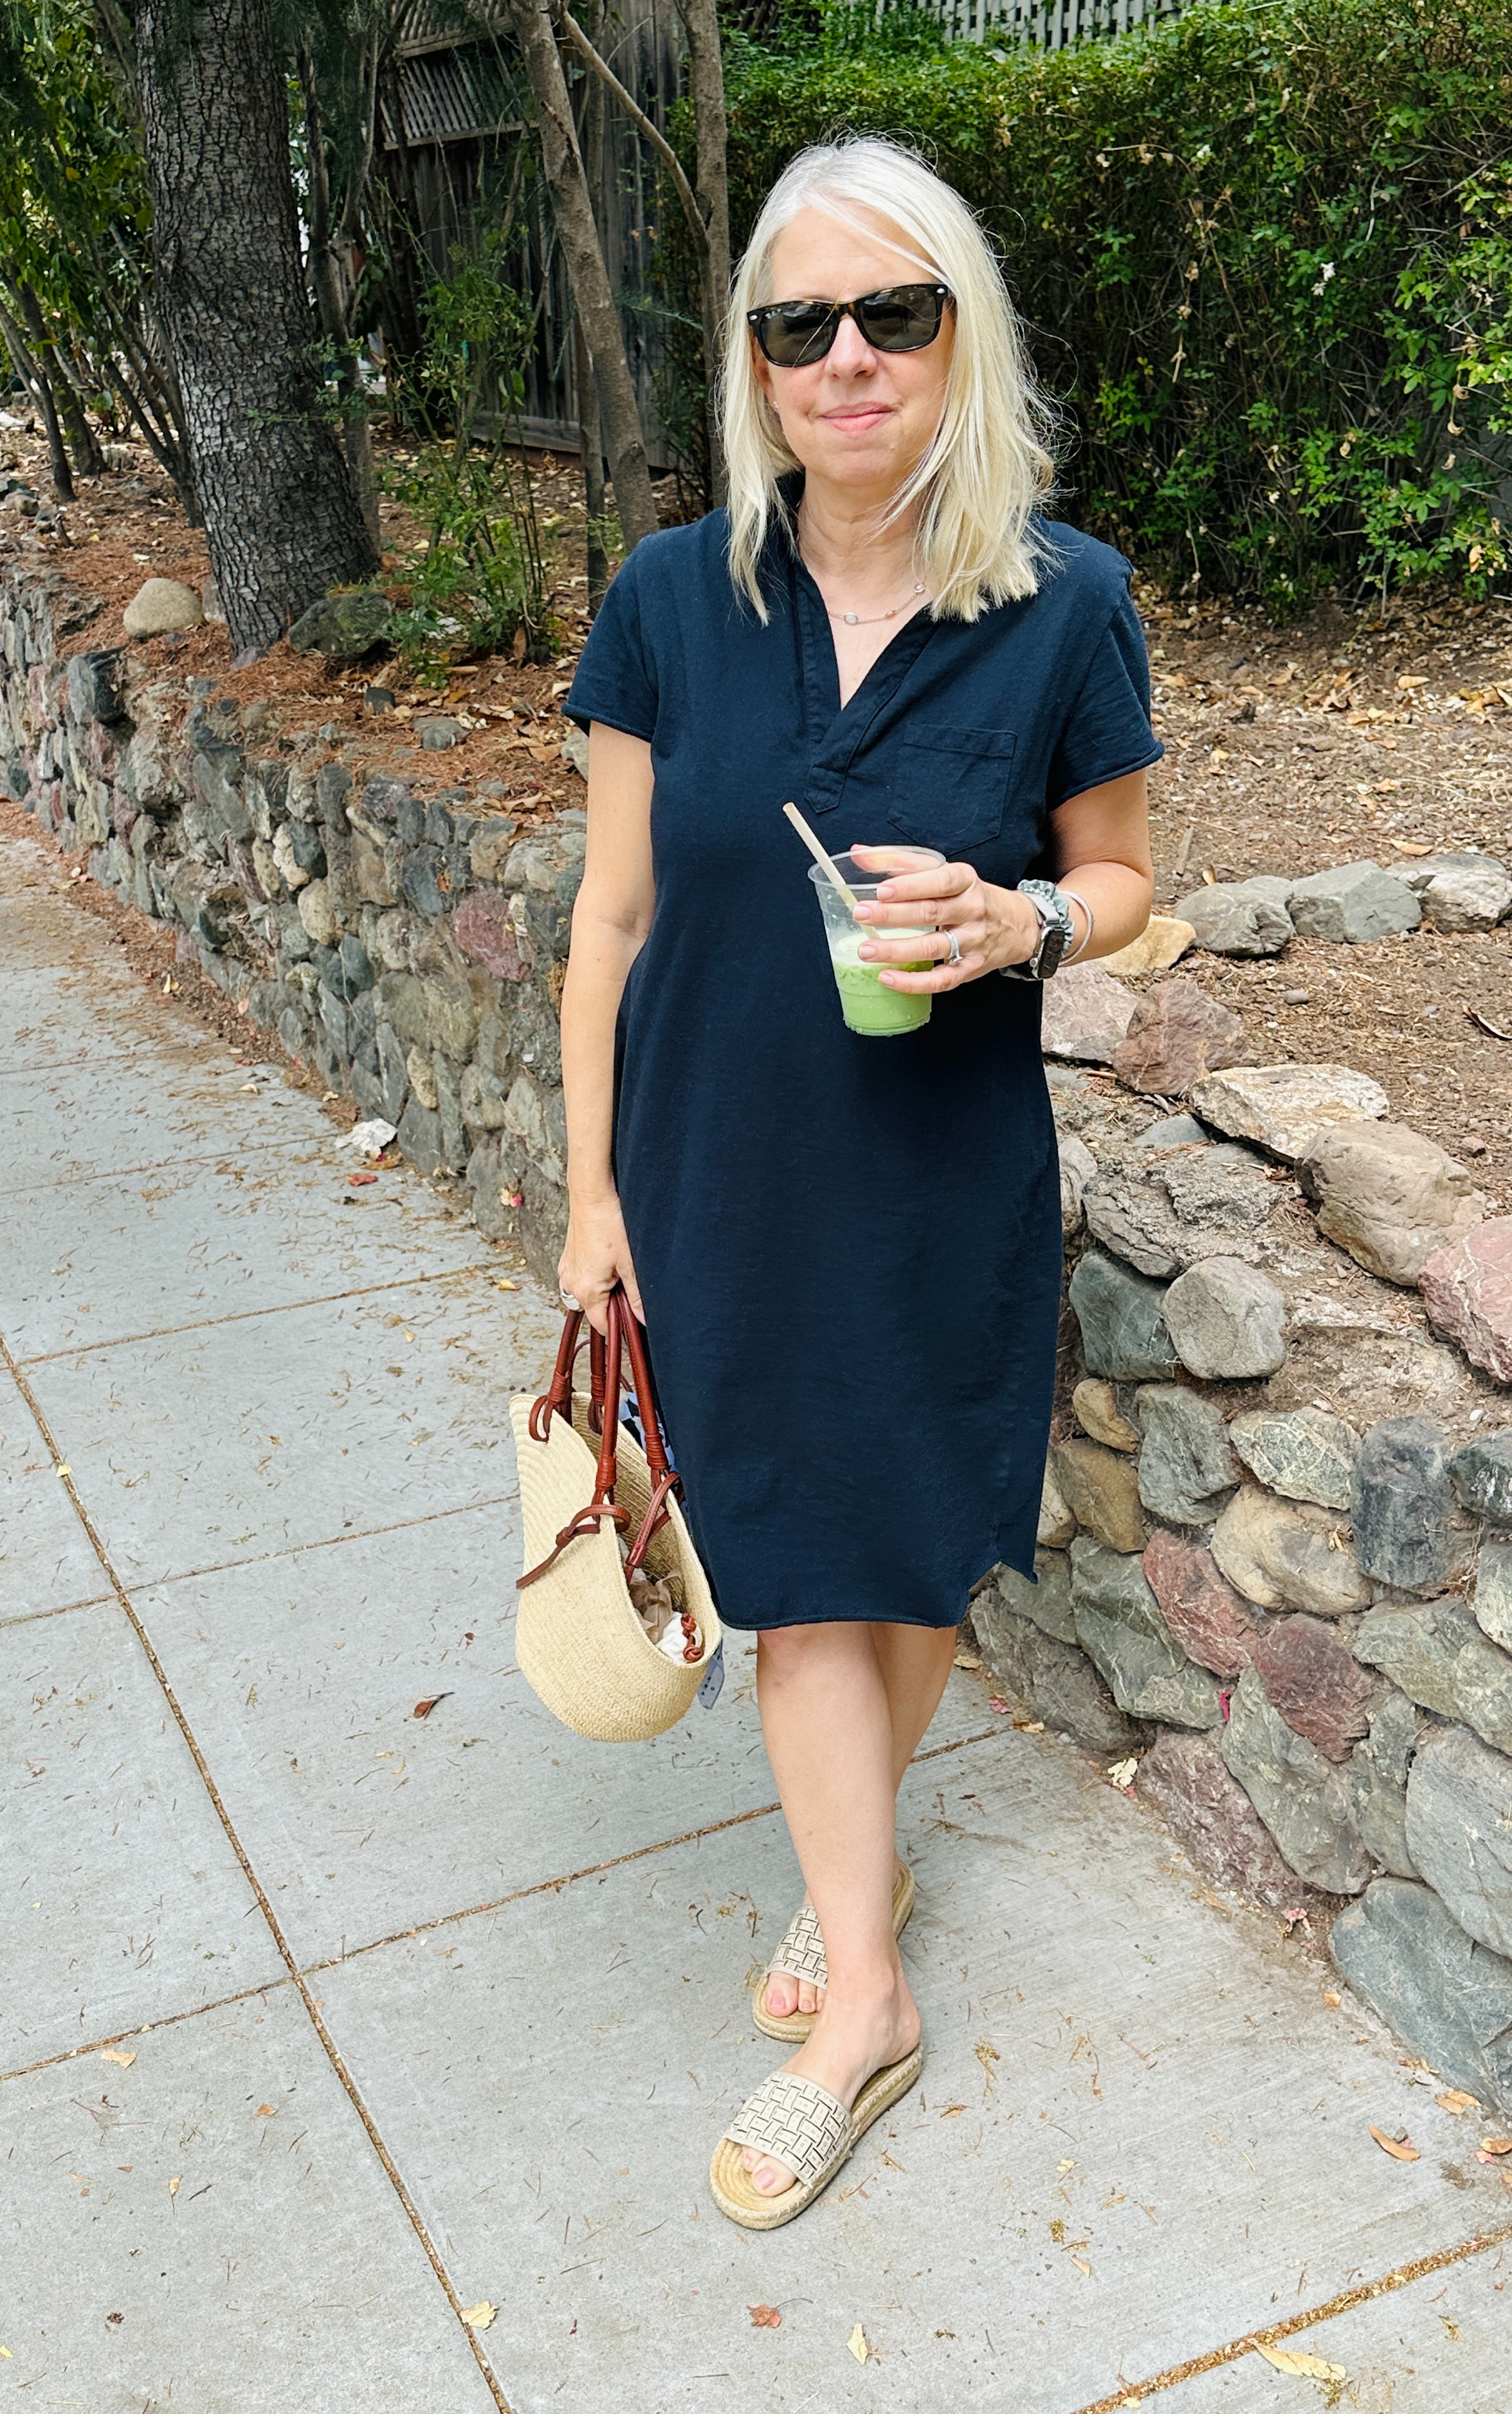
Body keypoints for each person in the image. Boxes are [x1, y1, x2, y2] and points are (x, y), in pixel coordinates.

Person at [558, 134, 1159, 2230]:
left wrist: (1023, 923)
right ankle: (866, 2001)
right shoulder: (671, 600)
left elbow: (1126, 879)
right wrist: (589, 1197)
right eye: (797, 323)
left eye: (893, 312)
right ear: (754, 362)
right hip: (717, 1175)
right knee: (800, 1571)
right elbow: (610, 919)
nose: (846, 357)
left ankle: (848, 1874)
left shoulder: (1066, 604)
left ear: (959, 334)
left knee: (909, 1554)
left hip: (938, 1178)